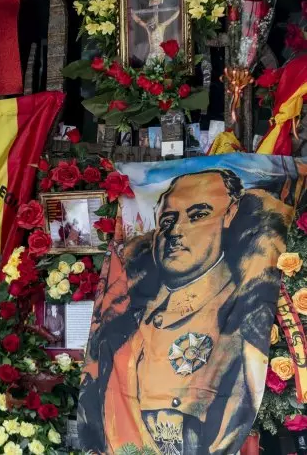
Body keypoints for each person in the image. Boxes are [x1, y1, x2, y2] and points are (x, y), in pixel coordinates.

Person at [79, 169, 292, 454]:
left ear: (229, 217)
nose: (176, 231)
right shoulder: (123, 311)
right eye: (168, 220)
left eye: (198, 215)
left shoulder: (244, 318)